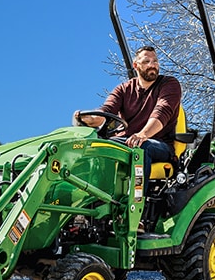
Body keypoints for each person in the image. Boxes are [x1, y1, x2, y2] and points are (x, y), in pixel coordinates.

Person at [75, 45, 182, 181]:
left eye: (155, 61)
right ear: (136, 65)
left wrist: (143, 134)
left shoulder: (169, 84)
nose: (152, 65)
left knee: (142, 147)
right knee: (96, 146)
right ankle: (95, 197)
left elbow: (162, 112)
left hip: (157, 143)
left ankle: (137, 199)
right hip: (125, 140)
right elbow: (106, 111)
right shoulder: (124, 89)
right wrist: (89, 118)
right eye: (146, 62)